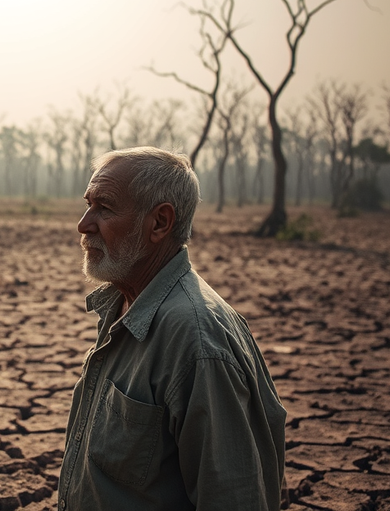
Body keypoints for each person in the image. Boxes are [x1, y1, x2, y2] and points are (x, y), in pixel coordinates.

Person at [57, 146, 286, 511]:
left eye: (105, 207)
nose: (83, 224)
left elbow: (235, 498)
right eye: (88, 204)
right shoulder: (125, 303)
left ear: (160, 223)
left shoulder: (197, 342)